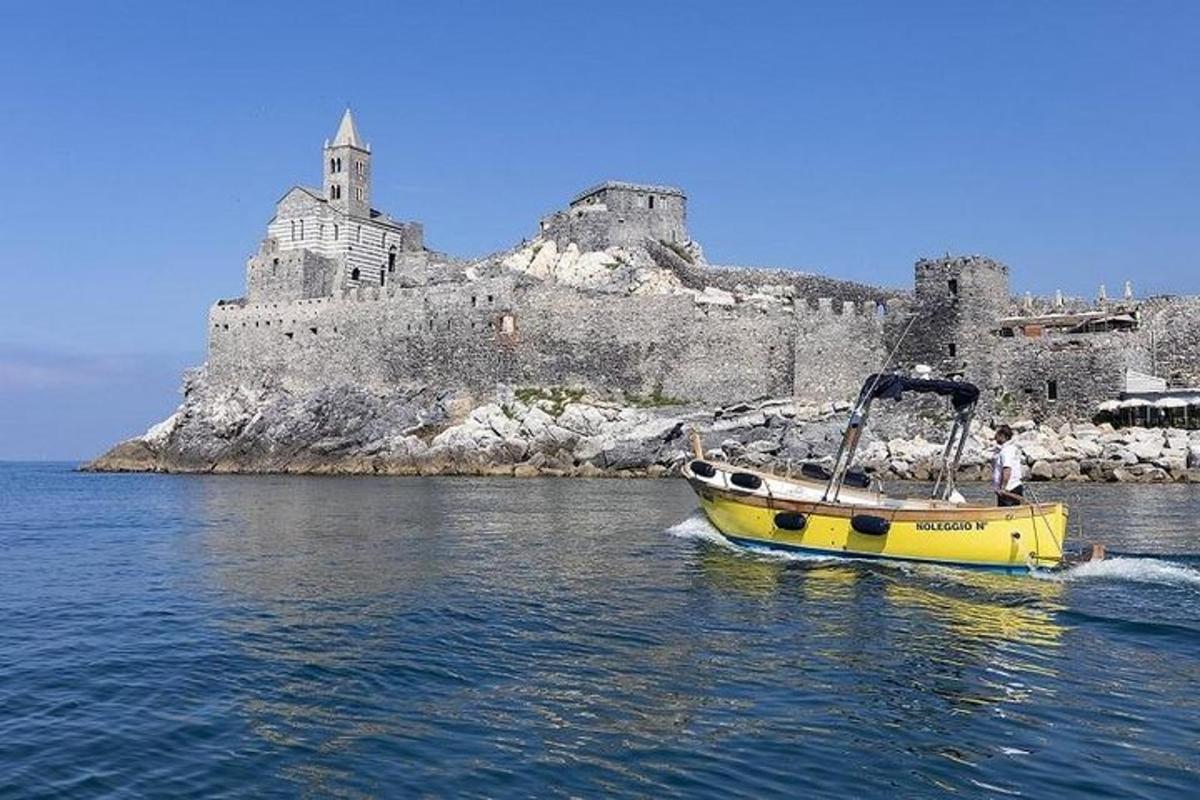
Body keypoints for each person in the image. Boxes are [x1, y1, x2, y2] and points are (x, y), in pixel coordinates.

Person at [992, 424, 1024, 506]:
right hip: (1007, 489)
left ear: (1004, 436)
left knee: (1009, 515)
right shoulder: (1007, 449)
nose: (995, 436)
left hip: (1009, 489)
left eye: (997, 434)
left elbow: (1007, 470)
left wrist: (1003, 488)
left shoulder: (1006, 451)